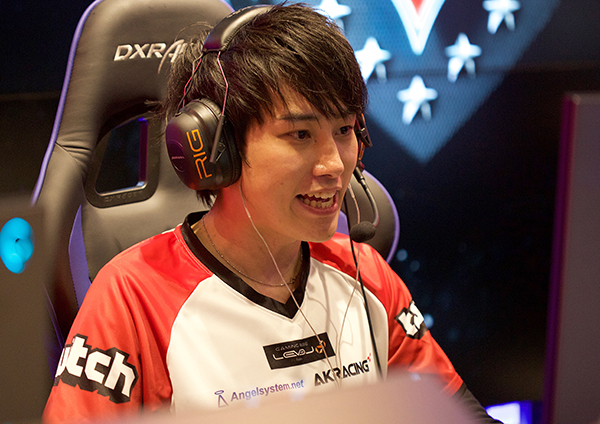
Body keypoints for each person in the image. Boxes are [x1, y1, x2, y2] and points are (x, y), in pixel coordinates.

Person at [43, 3, 500, 423]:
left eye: (344, 130)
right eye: (300, 135)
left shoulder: (367, 276)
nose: (334, 165)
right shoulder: (131, 297)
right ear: (217, 150)